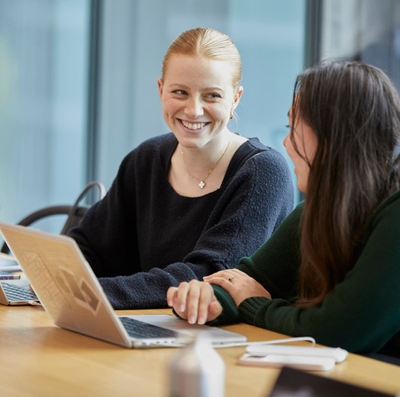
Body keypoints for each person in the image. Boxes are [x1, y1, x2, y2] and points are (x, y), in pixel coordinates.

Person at [167, 60, 400, 359]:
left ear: (333, 134)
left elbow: (341, 329)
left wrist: (254, 304)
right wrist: (202, 299)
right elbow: (243, 281)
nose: (287, 142)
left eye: (294, 126)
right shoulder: (316, 212)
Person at [69, 27, 294, 310]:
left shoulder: (263, 172)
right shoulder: (147, 158)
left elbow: (206, 277)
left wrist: (86, 291)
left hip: (224, 344)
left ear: (235, 98)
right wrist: (47, 279)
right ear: (161, 89)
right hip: (152, 330)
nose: (193, 110)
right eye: (180, 92)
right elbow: (89, 247)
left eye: (211, 95)